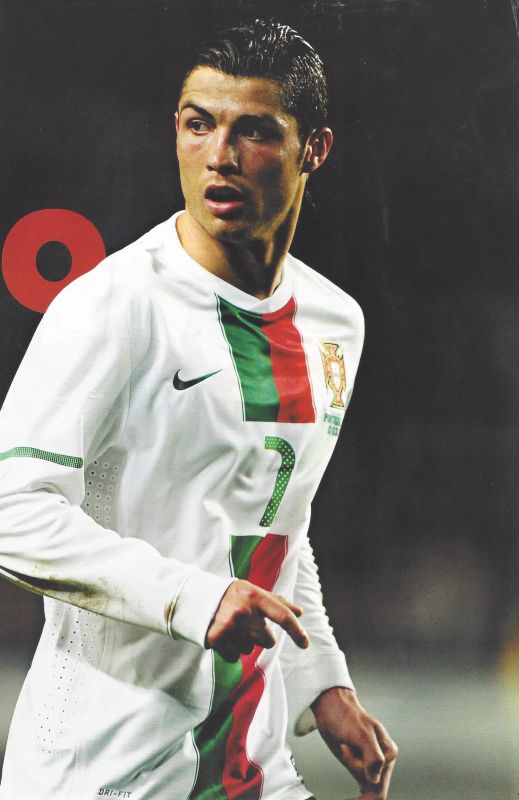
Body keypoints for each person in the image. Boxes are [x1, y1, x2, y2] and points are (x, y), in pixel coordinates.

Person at [0, 18, 397, 800]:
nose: (219, 155)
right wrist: (191, 597)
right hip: (102, 771)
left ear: (313, 149)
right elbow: (11, 510)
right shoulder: (111, 307)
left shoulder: (333, 323)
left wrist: (321, 678)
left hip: (251, 767)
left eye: (254, 131)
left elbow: (275, 522)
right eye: (197, 125)